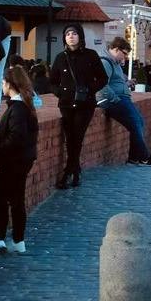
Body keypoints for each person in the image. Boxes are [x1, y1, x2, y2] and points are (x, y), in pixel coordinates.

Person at [0, 65, 38, 256]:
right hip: (22, 160)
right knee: (16, 200)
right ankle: (18, 241)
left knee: (0, 199)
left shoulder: (18, 108)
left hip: (13, 161)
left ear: (9, 84)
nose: (2, 86)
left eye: (3, 83)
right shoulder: (25, 106)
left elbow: (16, 137)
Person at [50, 24, 108, 189]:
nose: (71, 36)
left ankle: (68, 172)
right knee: (70, 138)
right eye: (67, 34)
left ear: (80, 36)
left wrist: (89, 89)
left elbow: (103, 78)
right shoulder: (60, 58)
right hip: (66, 104)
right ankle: (75, 171)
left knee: (77, 137)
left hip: (85, 104)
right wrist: (60, 93)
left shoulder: (91, 55)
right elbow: (52, 81)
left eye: (74, 33)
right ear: (64, 38)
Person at [98, 37, 151, 166]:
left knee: (139, 122)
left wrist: (127, 84)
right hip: (112, 100)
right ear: (116, 49)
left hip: (120, 98)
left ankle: (134, 158)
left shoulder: (115, 63)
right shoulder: (105, 62)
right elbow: (101, 85)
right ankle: (144, 157)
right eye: (124, 54)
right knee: (135, 123)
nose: (125, 57)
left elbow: (115, 83)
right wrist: (115, 99)